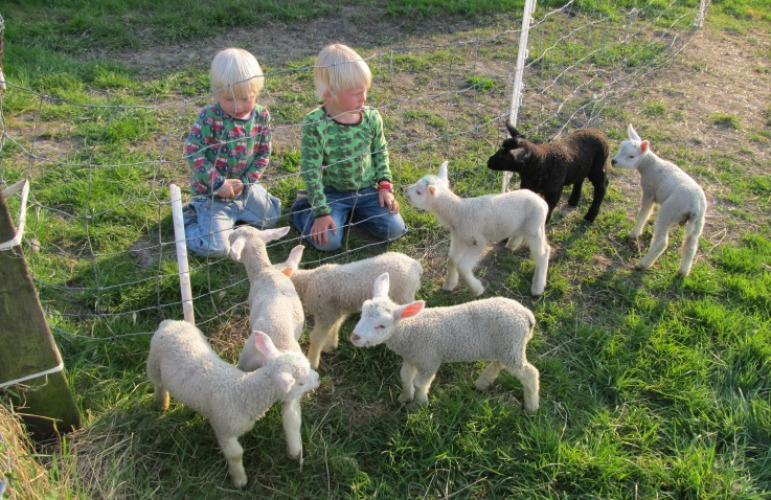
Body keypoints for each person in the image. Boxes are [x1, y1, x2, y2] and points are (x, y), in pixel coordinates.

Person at [291, 43, 407, 252]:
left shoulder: (371, 117)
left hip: (366, 191)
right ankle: (304, 208)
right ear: (329, 93)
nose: (363, 98)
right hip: (331, 193)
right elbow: (311, 170)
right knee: (329, 242)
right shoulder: (315, 123)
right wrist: (321, 212)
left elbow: (380, 151)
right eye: (356, 93)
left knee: (395, 229)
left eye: (365, 90)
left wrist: (384, 185)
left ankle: (350, 215)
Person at [183, 47, 281, 257]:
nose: (238, 106)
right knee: (218, 248)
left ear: (256, 91)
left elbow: (263, 153)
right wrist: (218, 183)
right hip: (212, 196)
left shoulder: (261, 116)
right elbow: (193, 152)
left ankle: (228, 221)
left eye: (246, 98)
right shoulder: (209, 117)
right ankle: (189, 220)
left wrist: (245, 182)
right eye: (229, 98)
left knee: (272, 216)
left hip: (243, 189)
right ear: (217, 92)